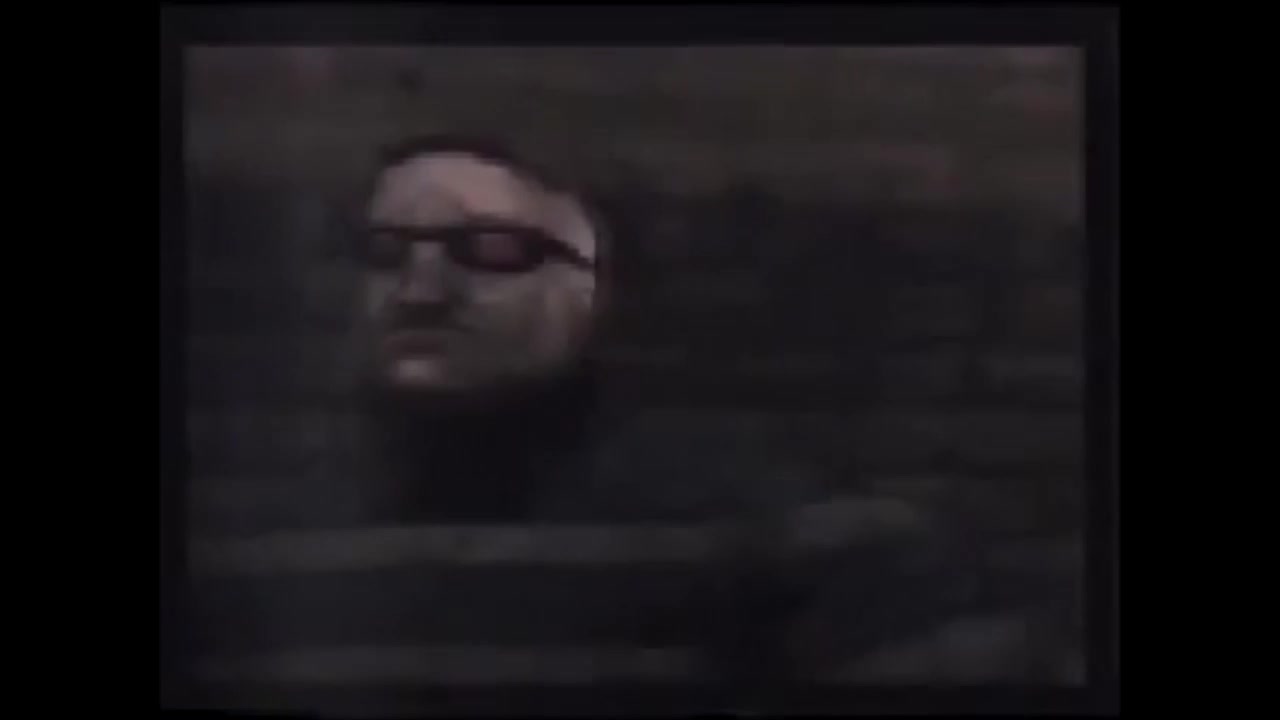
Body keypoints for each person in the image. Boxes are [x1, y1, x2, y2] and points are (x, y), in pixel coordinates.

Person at [189, 136, 1080, 715]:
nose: (419, 291)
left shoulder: (789, 534)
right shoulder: (249, 548)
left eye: (490, 252)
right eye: (384, 253)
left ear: (590, 290)